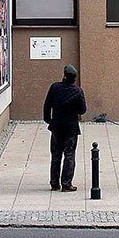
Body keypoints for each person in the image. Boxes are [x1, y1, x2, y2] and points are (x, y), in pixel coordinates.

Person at [43, 64, 86, 192]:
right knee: (69, 155)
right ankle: (66, 184)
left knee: (56, 155)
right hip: (71, 128)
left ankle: (54, 183)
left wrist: (47, 119)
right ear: (74, 78)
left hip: (56, 126)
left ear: (64, 76)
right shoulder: (78, 91)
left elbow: (47, 105)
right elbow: (82, 110)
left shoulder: (55, 87)